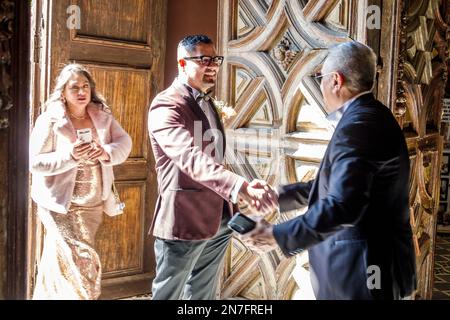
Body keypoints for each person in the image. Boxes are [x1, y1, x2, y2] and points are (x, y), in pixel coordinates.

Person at [243, 41, 417, 300]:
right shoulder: (371, 115)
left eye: (320, 77)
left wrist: (278, 235)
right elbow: (342, 185)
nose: (321, 84)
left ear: (336, 80)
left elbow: (343, 205)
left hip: (361, 272)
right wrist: (279, 197)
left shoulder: (359, 125)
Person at [147, 35, 275, 300]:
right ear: (183, 62)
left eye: (215, 59)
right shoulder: (166, 105)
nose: (213, 65)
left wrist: (235, 200)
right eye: (204, 59)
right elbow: (189, 157)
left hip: (220, 218)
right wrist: (240, 187)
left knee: (202, 295)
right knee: (168, 295)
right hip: (185, 219)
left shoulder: (207, 102)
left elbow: (214, 158)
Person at [29, 63, 132, 299]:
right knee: (82, 261)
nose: (81, 91)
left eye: (85, 86)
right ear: (63, 92)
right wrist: (71, 156)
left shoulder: (102, 116)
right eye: (74, 87)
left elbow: (124, 144)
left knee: (62, 263)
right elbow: (33, 162)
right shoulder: (51, 120)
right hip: (60, 206)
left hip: (92, 205)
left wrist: (106, 151)